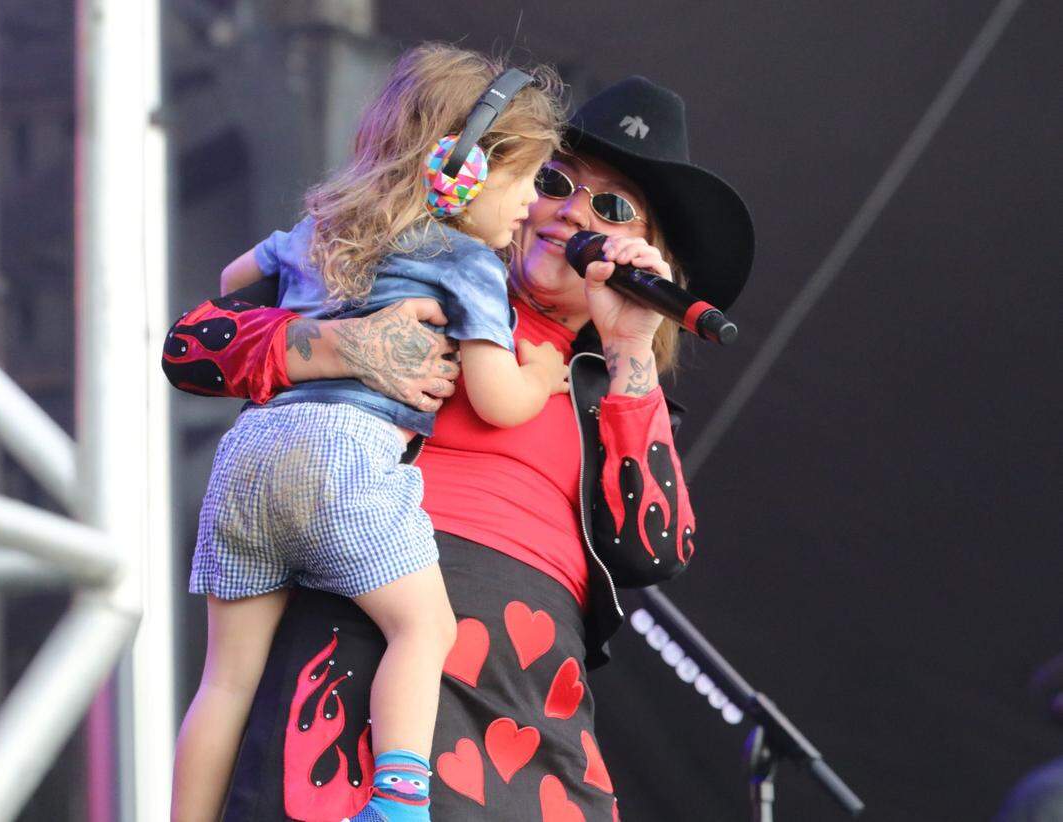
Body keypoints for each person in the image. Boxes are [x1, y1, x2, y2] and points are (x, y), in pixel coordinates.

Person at [164, 74, 755, 821]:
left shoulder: (613, 388)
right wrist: (336, 345)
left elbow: (655, 549)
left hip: (531, 700)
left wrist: (631, 343)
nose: (571, 210)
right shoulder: (412, 275)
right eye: (552, 180)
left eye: (609, 207)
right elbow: (191, 346)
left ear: (645, 251)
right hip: (362, 647)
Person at [170, 44, 568, 822]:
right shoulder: (464, 258)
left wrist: (306, 322)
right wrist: (542, 380)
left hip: (250, 455)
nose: (529, 206)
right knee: (424, 627)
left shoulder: (322, 225)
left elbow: (229, 285)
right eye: (524, 179)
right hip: (345, 456)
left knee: (225, 680)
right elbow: (493, 397)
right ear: (468, 168)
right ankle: (397, 802)